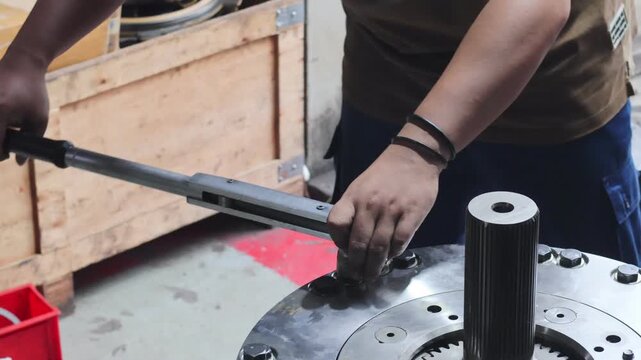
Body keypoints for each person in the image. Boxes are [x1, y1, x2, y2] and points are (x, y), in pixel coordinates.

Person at [0, 1, 639, 283]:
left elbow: (533, 4)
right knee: (382, 314)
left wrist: (419, 151)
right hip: (390, 92)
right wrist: (28, 57)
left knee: (579, 311)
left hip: (547, 103)